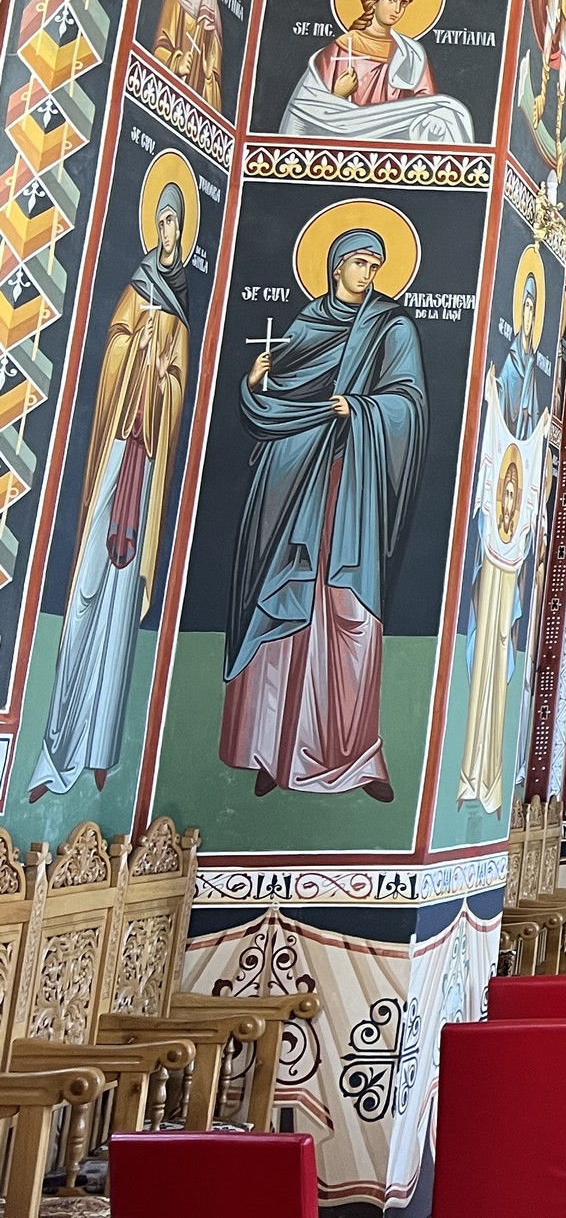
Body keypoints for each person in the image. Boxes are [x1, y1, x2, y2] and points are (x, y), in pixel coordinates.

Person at [220, 228, 426, 801]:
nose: (368, 273)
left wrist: (358, 408)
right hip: (294, 483)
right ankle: (271, 749)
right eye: (359, 262)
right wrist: (254, 384)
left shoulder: (392, 328)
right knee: (285, 602)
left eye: (375, 265)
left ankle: (355, 758)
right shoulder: (307, 324)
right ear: (336, 266)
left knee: (347, 613)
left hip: (353, 486)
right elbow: (278, 401)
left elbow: (408, 405)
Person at [29, 184, 192, 800]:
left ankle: (100, 749)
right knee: (86, 588)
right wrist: (136, 353)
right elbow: (113, 352)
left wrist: (165, 375)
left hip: (147, 462)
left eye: (176, 223)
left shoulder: (180, 306)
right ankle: (57, 745)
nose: (168, 232)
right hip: (117, 449)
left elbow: (178, 386)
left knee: (123, 607)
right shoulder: (135, 290)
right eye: (163, 221)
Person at [456, 268, 552, 813]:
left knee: (502, 644)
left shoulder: (534, 374)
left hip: (513, 544)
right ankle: (474, 770)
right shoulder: (510, 368)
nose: (531, 318)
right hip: (494, 535)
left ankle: (490, 772)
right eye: (528, 307)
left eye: (537, 310)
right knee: (483, 636)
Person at [279, 0, 477, 144]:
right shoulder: (339, 48)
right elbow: (306, 108)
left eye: (404, 3)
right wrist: (338, 96)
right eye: (391, 0)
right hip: (343, 131)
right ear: (373, 2)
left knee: (446, 113)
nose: (397, 10)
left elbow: (426, 102)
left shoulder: (411, 53)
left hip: (394, 135)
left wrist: (433, 119)